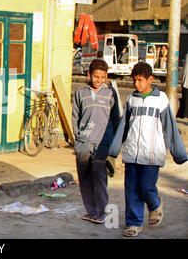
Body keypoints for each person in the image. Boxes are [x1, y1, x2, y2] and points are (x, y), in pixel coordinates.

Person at [108, 62, 187, 237]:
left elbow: (170, 128)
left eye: (140, 80)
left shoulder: (161, 100)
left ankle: (154, 203)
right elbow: (123, 127)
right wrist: (114, 150)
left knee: (146, 186)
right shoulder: (132, 99)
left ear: (150, 79)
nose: (137, 84)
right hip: (131, 154)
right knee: (131, 190)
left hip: (152, 154)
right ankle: (134, 223)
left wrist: (179, 153)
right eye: (135, 80)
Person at [72, 59, 120, 224]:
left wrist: (113, 143)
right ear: (89, 75)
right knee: (84, 177)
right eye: (95, 76)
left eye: (102, 77)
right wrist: (77, 138)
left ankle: (100, 212)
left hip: (102, 143)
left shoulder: (111, 93)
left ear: (106, 77)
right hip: (83, 142)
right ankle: (90, 210)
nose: (98, 80)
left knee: (99, 177)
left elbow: (116, 119)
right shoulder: (81, 92)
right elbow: (75, 116)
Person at [179, 52, 188, 118]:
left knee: (185, 99)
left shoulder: (187, 55)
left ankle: (184, 114)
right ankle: (184, 114)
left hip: (185, 82)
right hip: (186, 82)